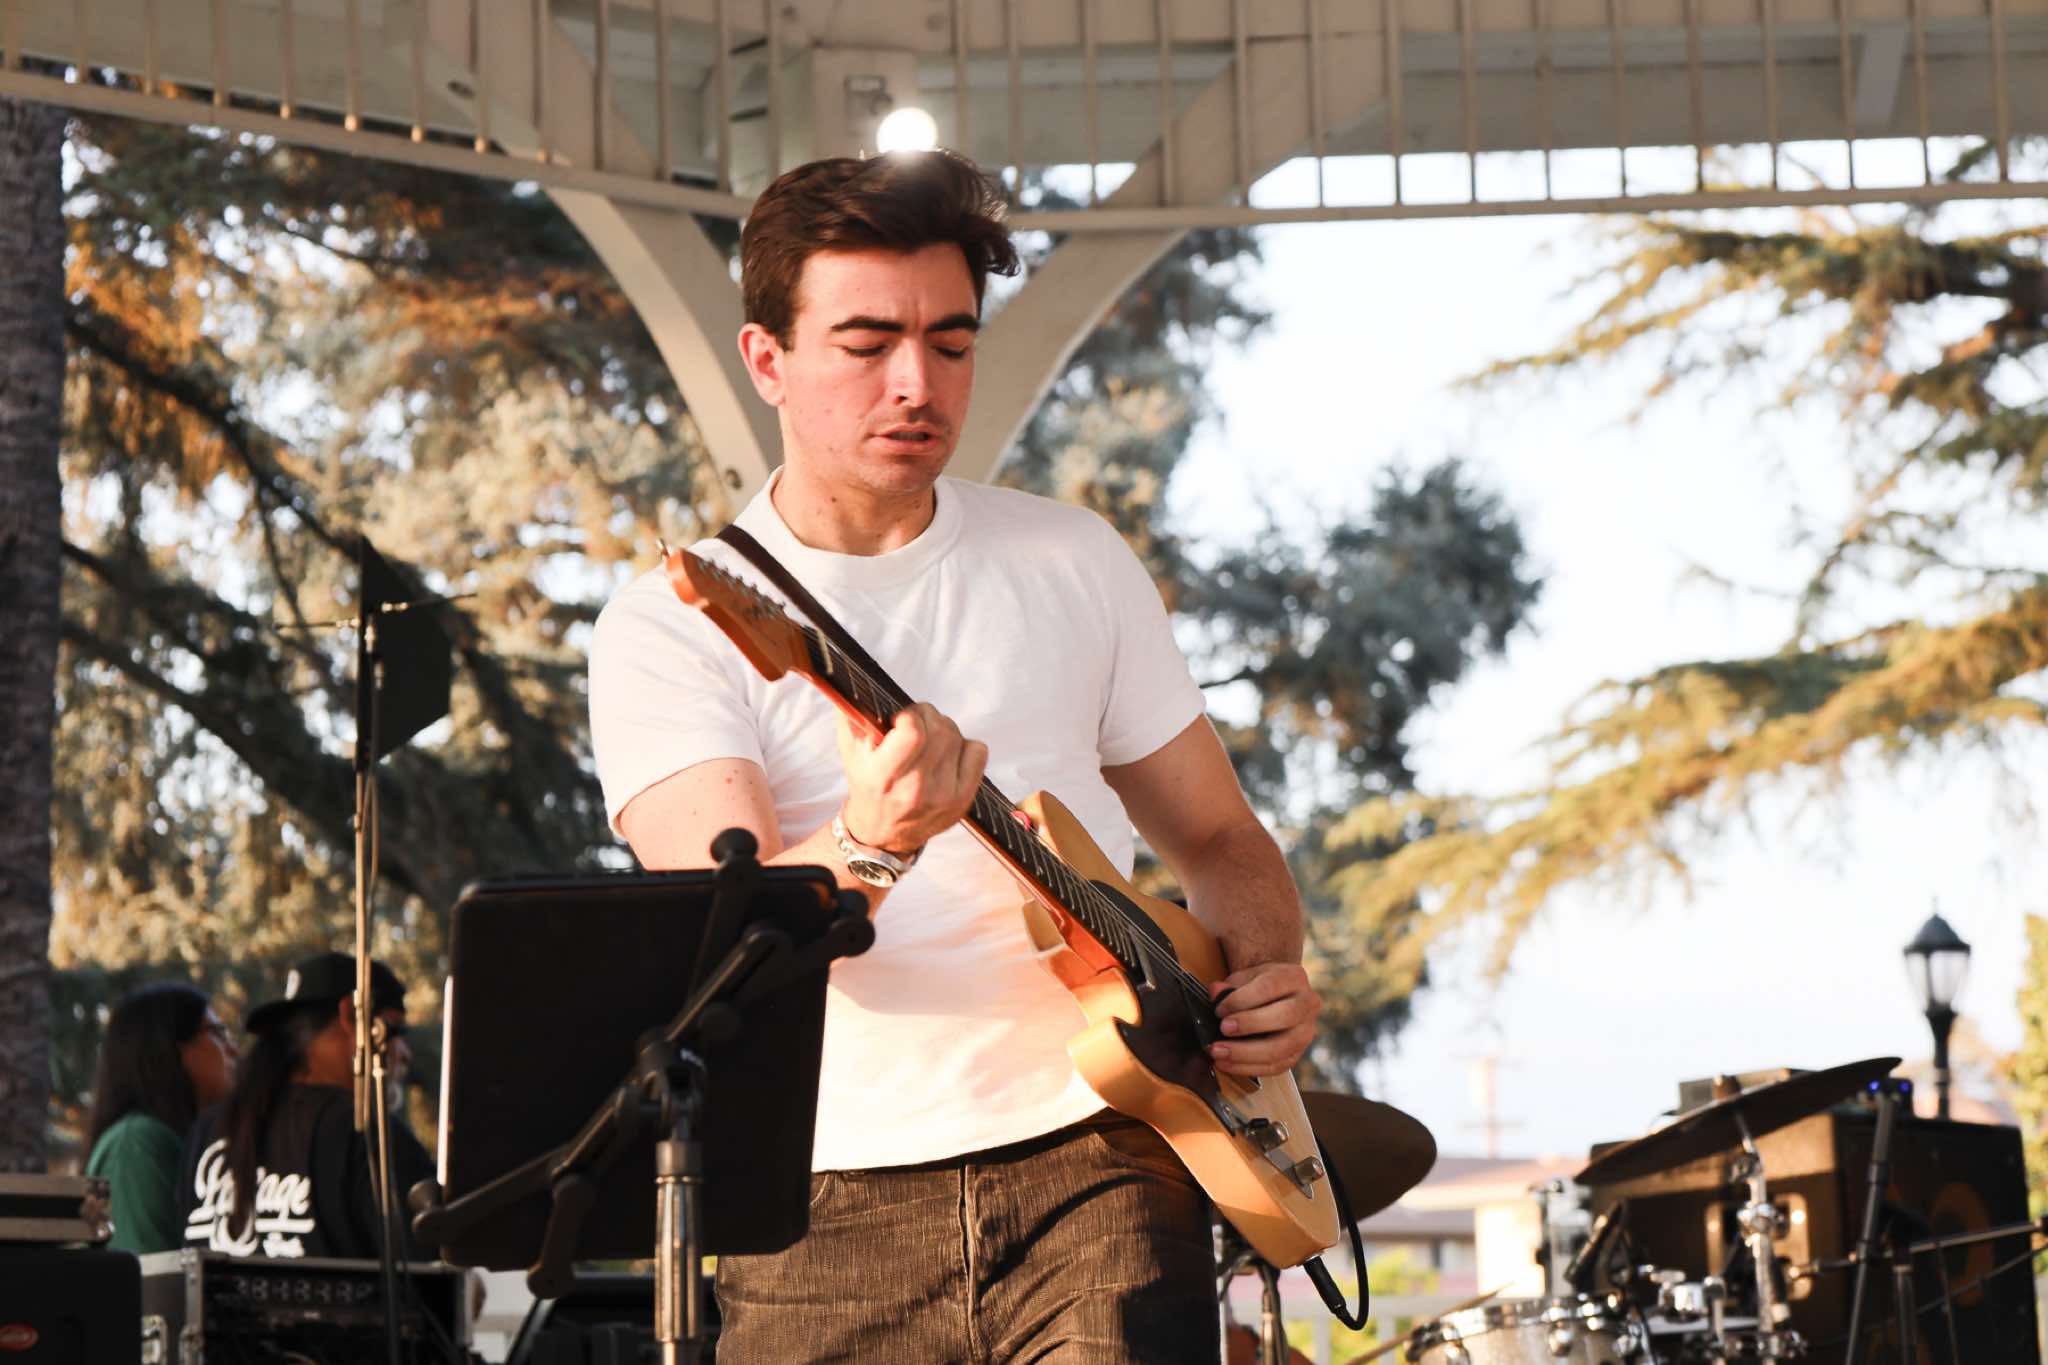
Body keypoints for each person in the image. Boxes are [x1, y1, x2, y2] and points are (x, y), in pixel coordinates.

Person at [588, 150, 1321, 1362]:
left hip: (1108, 1153)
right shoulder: (669, 626)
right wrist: (869, 845)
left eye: (950, 342)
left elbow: (1217, 836)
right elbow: (716, 952)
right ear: (766, 360)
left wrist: (1264, 969)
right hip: (819, 1200)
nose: (914, 382)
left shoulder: (1073, 560)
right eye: (866, 343)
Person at [177, 951, 432, 1261]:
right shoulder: (364, 1131)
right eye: (396, 1030)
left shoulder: (207, 1130)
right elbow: (432, 1274)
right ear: (351, 1016)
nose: (404, 1053)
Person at [83, 982, 237, 1255]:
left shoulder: (170, 1140)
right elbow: (148, 1274)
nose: (233, 1050)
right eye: (218, 1034)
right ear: (169, 1047)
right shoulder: (136, 1144)